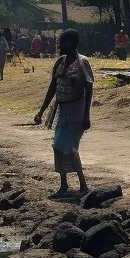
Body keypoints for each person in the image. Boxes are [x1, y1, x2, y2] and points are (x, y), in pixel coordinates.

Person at [34, 29, 92, 196]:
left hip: (77, 110)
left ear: (73, 43)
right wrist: (41, 111)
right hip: (62, 109)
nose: (60, 45)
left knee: (69, 146)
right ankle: (64, 184)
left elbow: (89, 90)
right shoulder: (60, 62)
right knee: (58, 147)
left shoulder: (83, 62)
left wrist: (86, 115)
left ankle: (83, 185)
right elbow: (52, 87)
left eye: (63, 42)